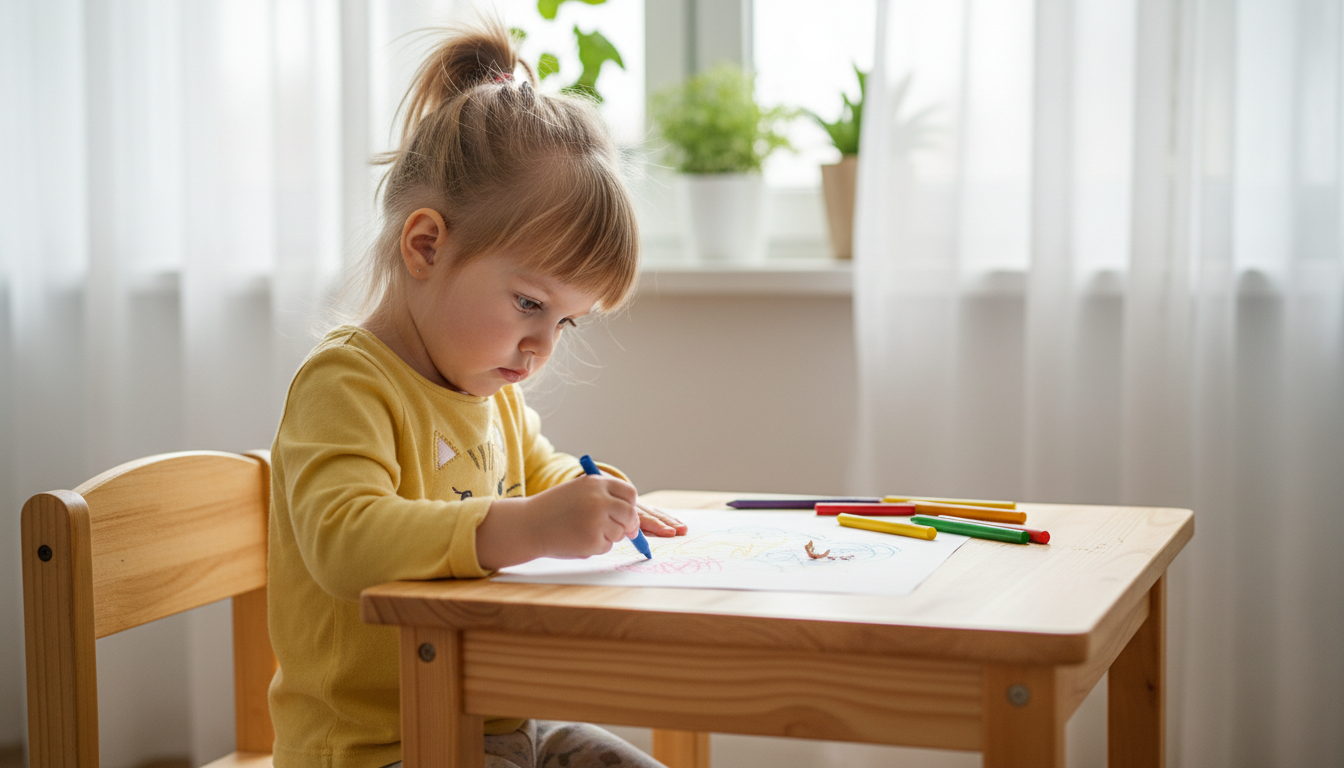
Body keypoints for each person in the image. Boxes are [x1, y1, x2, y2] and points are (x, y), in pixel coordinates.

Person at [266, 19, 686, 768]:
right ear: (426, 245)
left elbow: (539, 470)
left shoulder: (487, 391)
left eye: (568, 323)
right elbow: (345, 542)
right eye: (529, 304)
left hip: (489, 732)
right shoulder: (345, 382)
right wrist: (525, 526)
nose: (543, 347)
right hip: (376, 750)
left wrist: (591, 496)